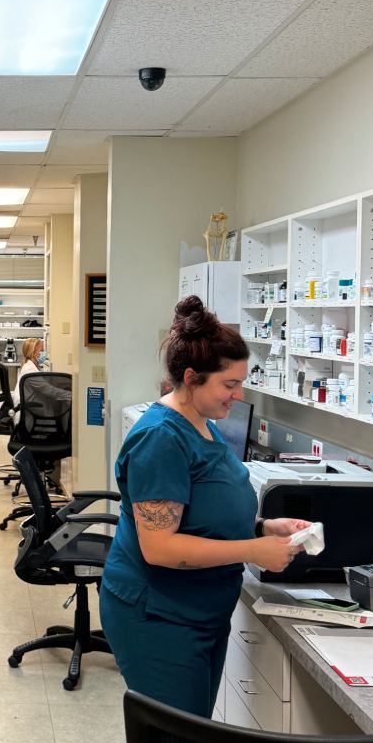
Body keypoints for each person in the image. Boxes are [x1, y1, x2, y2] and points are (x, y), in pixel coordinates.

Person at [99, 296, 310, 718]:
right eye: (229, 384)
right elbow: (160, 548)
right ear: (192, 378)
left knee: (187, 742)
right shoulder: (161, 438)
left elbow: (204, 509)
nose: (238, 393)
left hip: (198, 612)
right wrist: (252, 552)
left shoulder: (203, 425)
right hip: (158, 616)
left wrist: (261, 528)